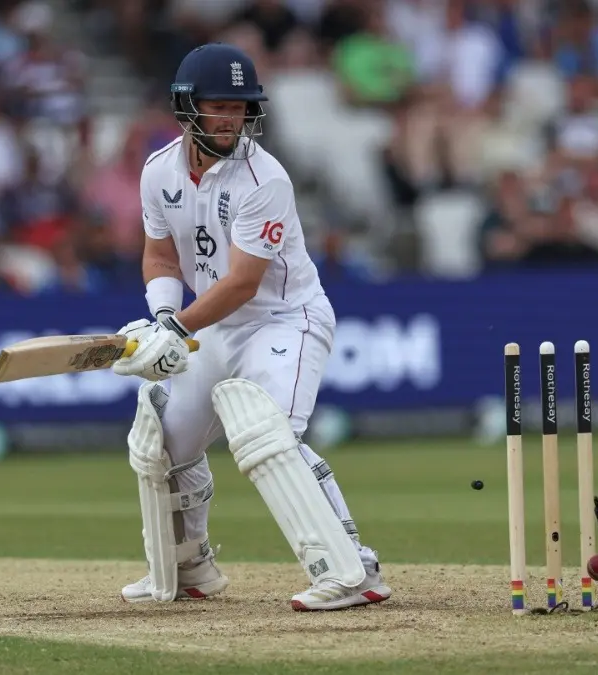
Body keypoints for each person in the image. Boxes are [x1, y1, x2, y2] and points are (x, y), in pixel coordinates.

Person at [112, 43, 392, 610]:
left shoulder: (266, 179)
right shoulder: (157, 171)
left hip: (285, 320)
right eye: (218, 105)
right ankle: (190, 567)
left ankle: (355, 570)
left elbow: (242, 282)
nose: (230, 119)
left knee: (268, 437)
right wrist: (164, 314)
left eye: (239, 108)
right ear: (186, 106)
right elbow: (161, 256)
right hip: (215, 327)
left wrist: (176, 328)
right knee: (162, 443)